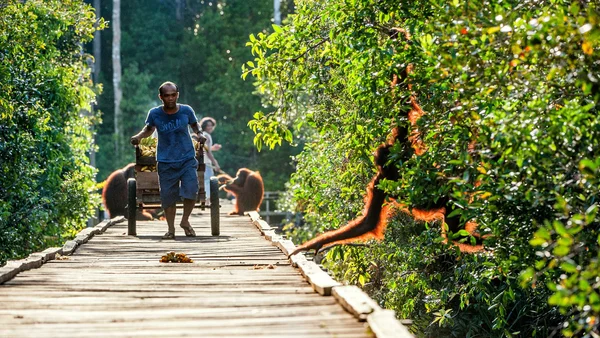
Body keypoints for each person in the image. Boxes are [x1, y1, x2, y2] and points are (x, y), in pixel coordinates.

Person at [130, 81, 203, 239]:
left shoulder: (186, 110)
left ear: (177, 95)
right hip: (165, 160)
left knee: (191, 190)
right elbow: (149, 129)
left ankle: (185, 221)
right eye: (167, 96)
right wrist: (139, 137)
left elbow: (195, 125)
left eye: (173, 95)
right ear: (161, 97)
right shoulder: (155, 113)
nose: (170, 98)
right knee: (168, 196)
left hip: (186, 158)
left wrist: (200, 134)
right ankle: (171, 229)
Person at [199, 117, 221, 202]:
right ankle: (208, 199)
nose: (210, 127)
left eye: (211, 126)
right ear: (204, 126)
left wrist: (213, 148)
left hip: (199, 162)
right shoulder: (207, 136)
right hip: (206, 163)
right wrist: (215, 163)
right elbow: (208, 152)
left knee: (202, 182)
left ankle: (203, 199)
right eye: (208, 125)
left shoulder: (201, 135)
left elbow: (204, 149)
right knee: (209, 180)